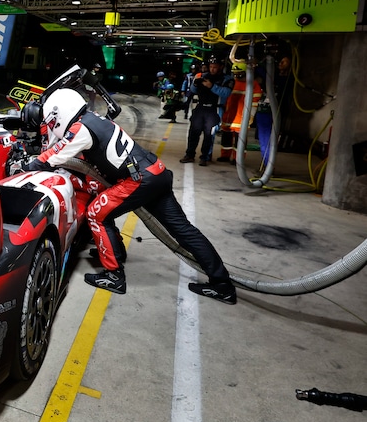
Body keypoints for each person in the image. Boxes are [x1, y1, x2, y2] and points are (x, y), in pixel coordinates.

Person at [24, 88, 236, 304]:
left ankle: (114, 275)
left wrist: (29, 165)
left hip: (139, 179)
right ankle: (222, 285)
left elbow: (55, 155)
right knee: (184, 231)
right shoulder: (94, 119)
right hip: (156, 172)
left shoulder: (80, 129)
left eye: (52, 120)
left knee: (96, 213)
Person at [180, 56, 233, 166]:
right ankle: (189, 154)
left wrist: (212, 86)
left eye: (215, 67)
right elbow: (193, 90)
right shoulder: (203, 76)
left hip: (215, 108)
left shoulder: (227, 79)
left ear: (221, 67)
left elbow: (226, 93)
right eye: (211, 66)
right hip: (201, 107)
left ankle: (205, 156)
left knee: (209, 134)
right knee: (194, 132)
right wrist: (195, 84)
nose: (212, 69)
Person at [217, 61, 262, 164]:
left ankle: (238, 158)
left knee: (240, 141)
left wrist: (250, 116)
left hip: (242, 117)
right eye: (235, 74)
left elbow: (255, 102)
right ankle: (225, 156)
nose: (237, 76)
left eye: (239, 74)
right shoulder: (231, 82)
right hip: (229, 116)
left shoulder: (253, 85)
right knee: (226, 138)